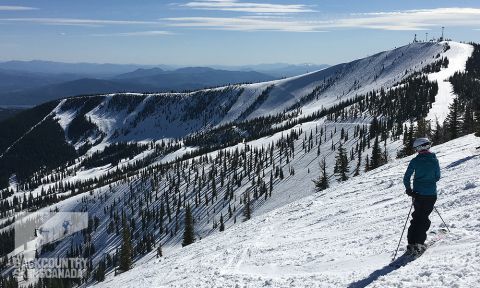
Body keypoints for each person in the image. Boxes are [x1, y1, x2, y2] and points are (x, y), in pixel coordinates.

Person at [403, 137, 440, 255]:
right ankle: (419, 244)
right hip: (430, 194)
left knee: (417, 217)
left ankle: (411, 243)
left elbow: (406, 177)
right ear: (427, 146)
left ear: (419, 148)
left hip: (417, 194)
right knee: (423, 218)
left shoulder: (415, 161)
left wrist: (409, 189)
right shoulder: (434, 160)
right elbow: (437, 177)